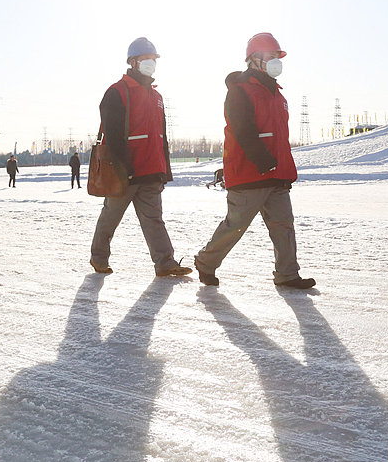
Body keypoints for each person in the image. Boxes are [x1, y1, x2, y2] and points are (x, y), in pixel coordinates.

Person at [194, 32, 315, 289]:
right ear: (254, 60)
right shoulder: (240, 92)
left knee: (283, 225)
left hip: (277, 172)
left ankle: (287, 274)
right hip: (249, 171)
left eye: (277, 57)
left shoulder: (277, 94)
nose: (275, 62)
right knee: (235, 225)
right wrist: (262, 160)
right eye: (270, 56)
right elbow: (242, 129)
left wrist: (283, 167)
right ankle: (206, 262)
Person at [89, 37, 192, 277]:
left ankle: (165, 262)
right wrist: (125, 169)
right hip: (124, 173)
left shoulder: (157, 97)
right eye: (145, 59)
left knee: (154, 220)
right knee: (110, 217)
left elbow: (161, 138)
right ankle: (99, 258)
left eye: (153, 59)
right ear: (133, 62)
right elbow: (113, 137)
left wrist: (164, 170)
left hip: (151, 172)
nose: (150, 63)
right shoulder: (116, 93)